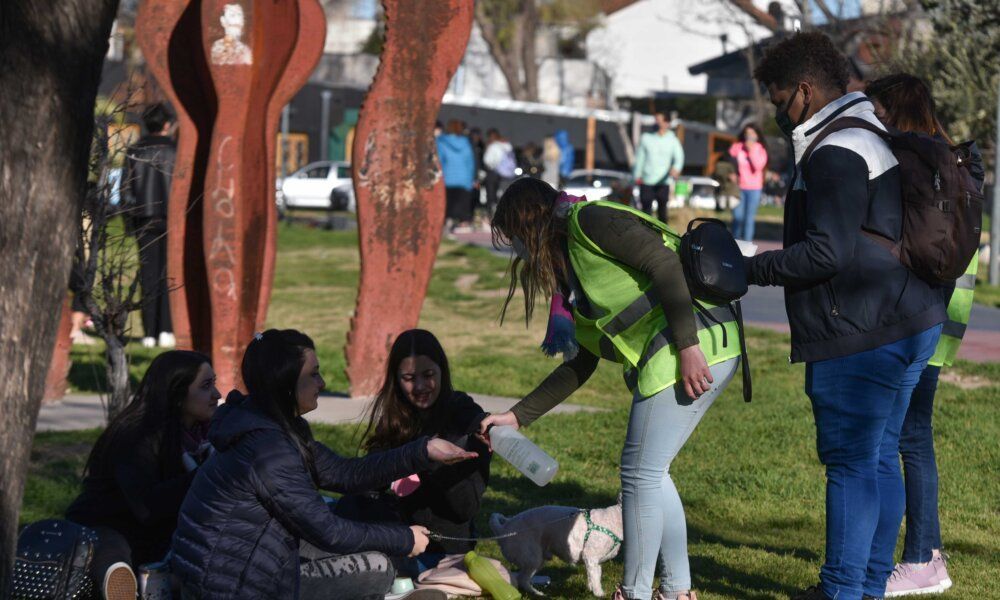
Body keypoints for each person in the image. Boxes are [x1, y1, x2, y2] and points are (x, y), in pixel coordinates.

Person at [745, 33, 947, 600]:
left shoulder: (835, 150)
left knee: (852, 465)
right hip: (908, 318)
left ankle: (842, 590)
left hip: (861, 331)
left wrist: (750, 268)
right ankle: (866, 586)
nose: (777, 113)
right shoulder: (870, 129)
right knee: (879, 456)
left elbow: (825, 253)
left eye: (779, 99)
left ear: (805, 91)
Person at [480, 178, 743, 600]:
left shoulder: (590, 222)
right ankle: (678, 591)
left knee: (639, 473)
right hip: (694, 347)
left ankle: (635, 591)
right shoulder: (572, 275)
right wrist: (517, 416)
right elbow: (580, 363)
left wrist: (688, 346)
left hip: (693, 345)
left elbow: (665, 264)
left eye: (515, 237)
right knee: (653, 473)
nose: (518, 250)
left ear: (529, 223)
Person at [170, 329, 474, 599]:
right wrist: (404, 538)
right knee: (379, 566)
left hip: (248, 563)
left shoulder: (270, 422)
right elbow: (329, 532)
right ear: (286, 383)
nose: (323, 382)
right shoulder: (269, 450)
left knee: (377, 548)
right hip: (235, 587)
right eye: (313, 374)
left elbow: (345, 474)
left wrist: (423, 450)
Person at [865, 73, 984, 598]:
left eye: (877, 110)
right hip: (949, 308)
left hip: (923, 312)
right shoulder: (952, 159)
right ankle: (927, 552)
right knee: (915, 434)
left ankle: (922, 558)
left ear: (893, 110)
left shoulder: (912, 163)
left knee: (909, 437)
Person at [65, 350, 220, 600]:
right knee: (113, 552)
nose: (217, 394)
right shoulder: (135, 436)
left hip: (163, 536)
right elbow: (147, 507)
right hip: (113, 528)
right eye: (206, 386)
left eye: (214, 383)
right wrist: (206, 475)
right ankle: (120, 583)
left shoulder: (205, 435)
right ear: (177, 395)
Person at [337, 329, 491, 576]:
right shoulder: (397, 415)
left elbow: (465, 508)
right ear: (396, 379)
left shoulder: (465, 418)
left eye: (428, 375)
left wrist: (432, 459)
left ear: (442, 371)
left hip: (441, 552)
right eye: (409, 378)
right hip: (396, 540)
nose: (419, 386)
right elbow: (366, 480)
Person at [122, 103, 176, 349]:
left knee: (148, 275)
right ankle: (166, 329)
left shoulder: (135, 151)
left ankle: (149, 333)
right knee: (169, 274)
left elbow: (126, 190)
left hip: (143, 218)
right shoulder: (176, 151)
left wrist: (129, 222)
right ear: (166, 124)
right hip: (172, 219)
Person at [633, 112, 684, 222]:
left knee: (662, 213)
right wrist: (636, 176)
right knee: (645, 214)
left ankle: (662, 232)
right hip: (647, 181)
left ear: (667, 123)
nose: (657, 123)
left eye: (660, 121)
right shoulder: (646, 138)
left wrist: (676, 169)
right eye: (656, 120)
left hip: (663, 182)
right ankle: (645, 232)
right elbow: (639, 159)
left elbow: (679, 158)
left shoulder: (673, 140)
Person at [728, 124, 769, 241]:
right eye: (747, 133)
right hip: (738, 187)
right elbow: (728, 160)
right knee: (737, 217)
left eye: (752, 133)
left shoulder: (761, 149)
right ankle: (734, 244)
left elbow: (758, 166)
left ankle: (747, 246)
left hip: (754, 189)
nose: (749, 136)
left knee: (749, 219)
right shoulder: (737, 147)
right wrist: (731, 173)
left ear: (757, 135)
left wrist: (750, 150)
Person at [436, 120, 476, 231]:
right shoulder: (465, 143)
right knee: (462, 203)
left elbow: (440, 160)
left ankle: (447, 222)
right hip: (464, 178)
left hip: (447, 177)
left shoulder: (441, 141)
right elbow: (470, 162)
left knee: (448, 203)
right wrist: (470, 178)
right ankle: (463, 224)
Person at [483, 128, 516, 215]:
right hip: (507, 174)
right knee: (504, 193)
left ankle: (492, 212)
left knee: (491, 194)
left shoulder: (493, 146)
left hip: (494, 173)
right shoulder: (507, 145)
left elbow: (488, 161)